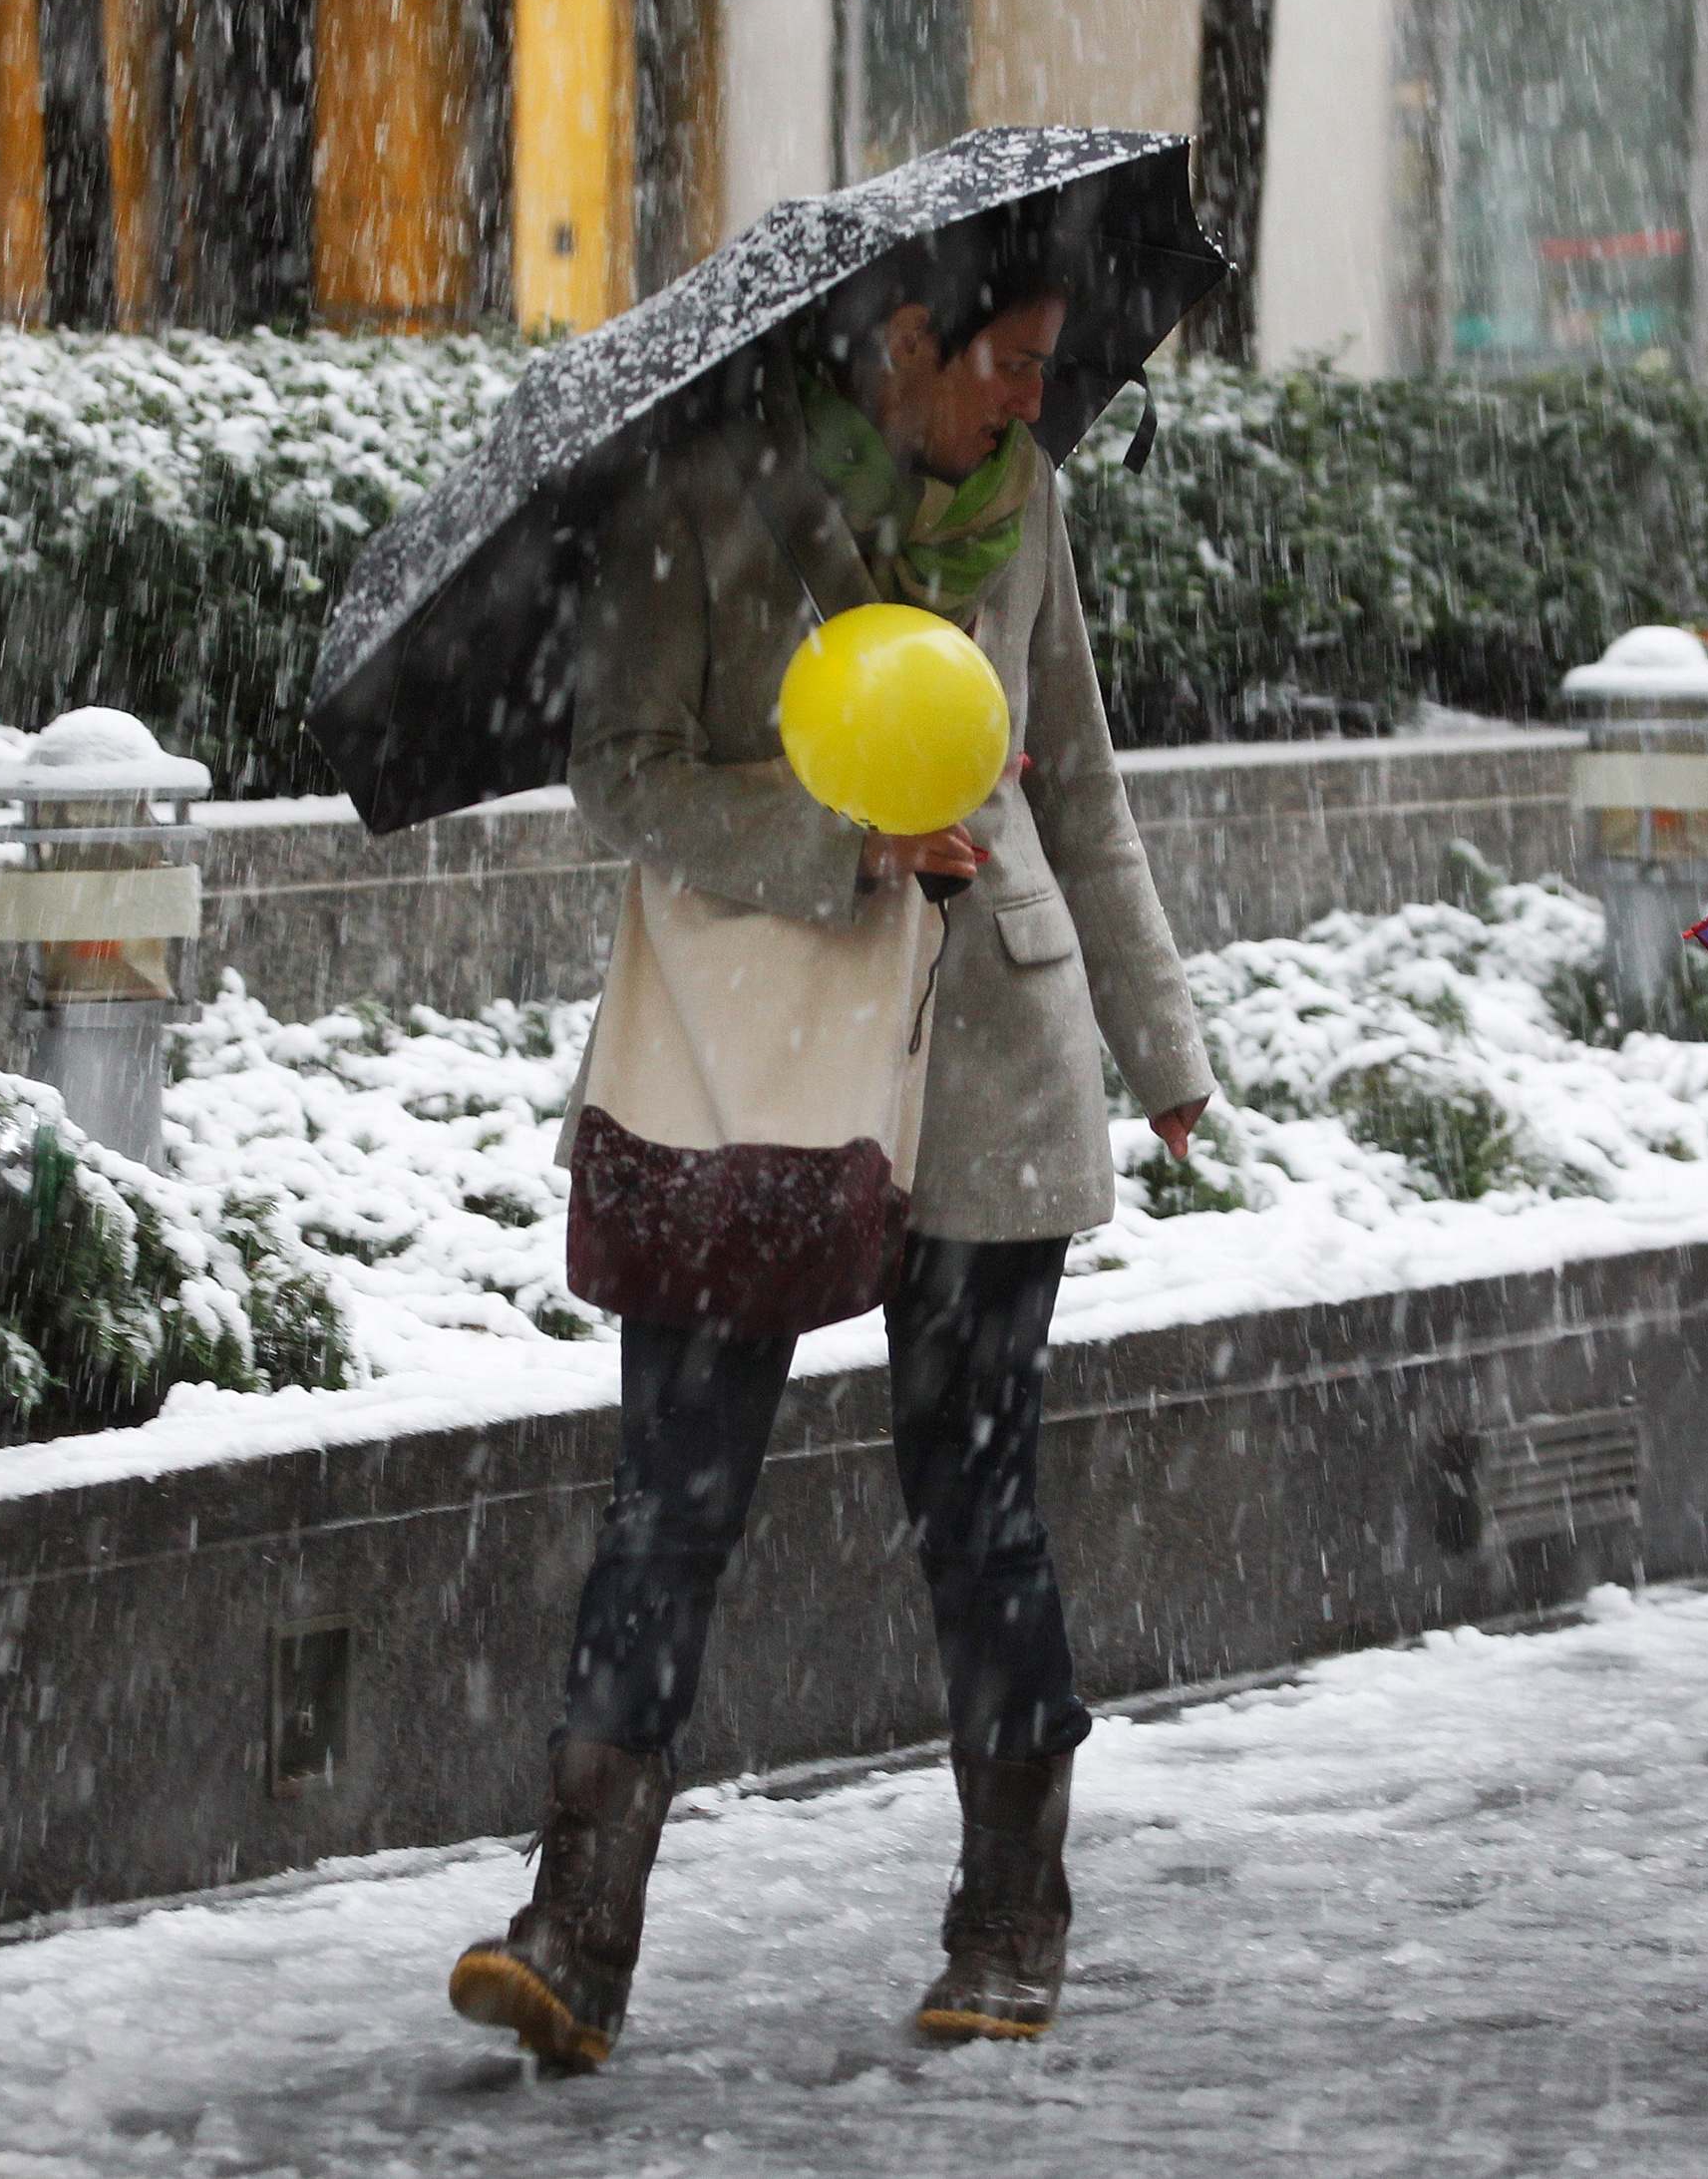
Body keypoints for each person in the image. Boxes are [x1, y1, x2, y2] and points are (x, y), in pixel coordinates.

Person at [446, 223, 1215, 2072]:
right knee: (676, 1491)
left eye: (1047, 366)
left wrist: (1162, 1046)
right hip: (761, 1063)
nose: (1035, 401)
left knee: (978, 1501)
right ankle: (578, 1928)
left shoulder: (1023, 504)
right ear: (901, 339)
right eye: (1007, 364)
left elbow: (1081, 789)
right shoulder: (700, 498)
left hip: (993, 1060)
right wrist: (841, 837)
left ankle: (1012, 1919)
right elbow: (625, 776)